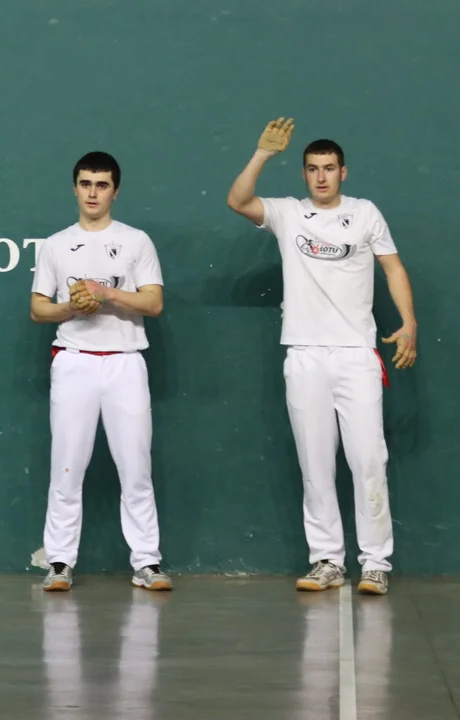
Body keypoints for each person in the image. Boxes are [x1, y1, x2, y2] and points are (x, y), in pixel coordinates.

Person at [226, 118, 417, 596]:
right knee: (314, 464)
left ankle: (375, 564)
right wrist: (262, 154)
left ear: (343, 172)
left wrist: (409, 322)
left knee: (368, 460)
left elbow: (393, 268)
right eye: (313, 169)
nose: (321, 176)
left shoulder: (366, 213)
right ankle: (327, 560)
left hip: (356, 356)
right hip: (304, 355)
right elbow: (239, 201)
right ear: (304, 174)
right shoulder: (288, 214)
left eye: (329, 168)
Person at [30, 151, 172, 593]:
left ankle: (147, 562)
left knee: (136, 468)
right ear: (75, 188)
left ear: (115, 191)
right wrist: (73, 307)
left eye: (102, 185)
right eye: (86, 184)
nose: (93, 193)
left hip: (126, 363)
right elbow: (38, 310)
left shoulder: (136, 241)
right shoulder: (55, 245)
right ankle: (59, 562)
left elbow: (154, 302)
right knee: (67, 467)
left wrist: (105, 294)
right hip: (74, 363)